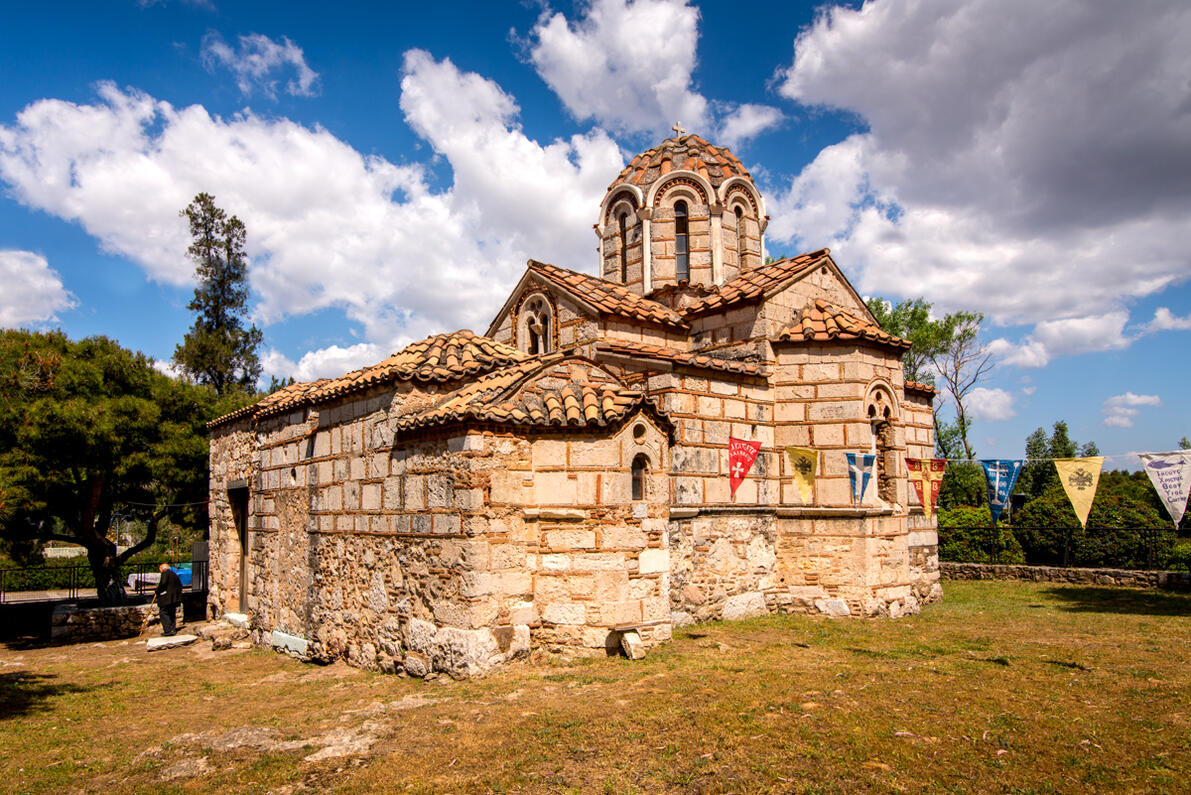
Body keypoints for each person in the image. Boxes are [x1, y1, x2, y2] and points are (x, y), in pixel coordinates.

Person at [154, 563, 184, 636]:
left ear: (162, 569)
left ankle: (168, 630)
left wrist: (157, 591)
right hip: (174, 598)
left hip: (167, 598)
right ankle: (172, 629)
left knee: (163, 612)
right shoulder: (174, 574)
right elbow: (180, 585)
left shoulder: (165, 573)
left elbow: (163, 583)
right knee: (171, 613)